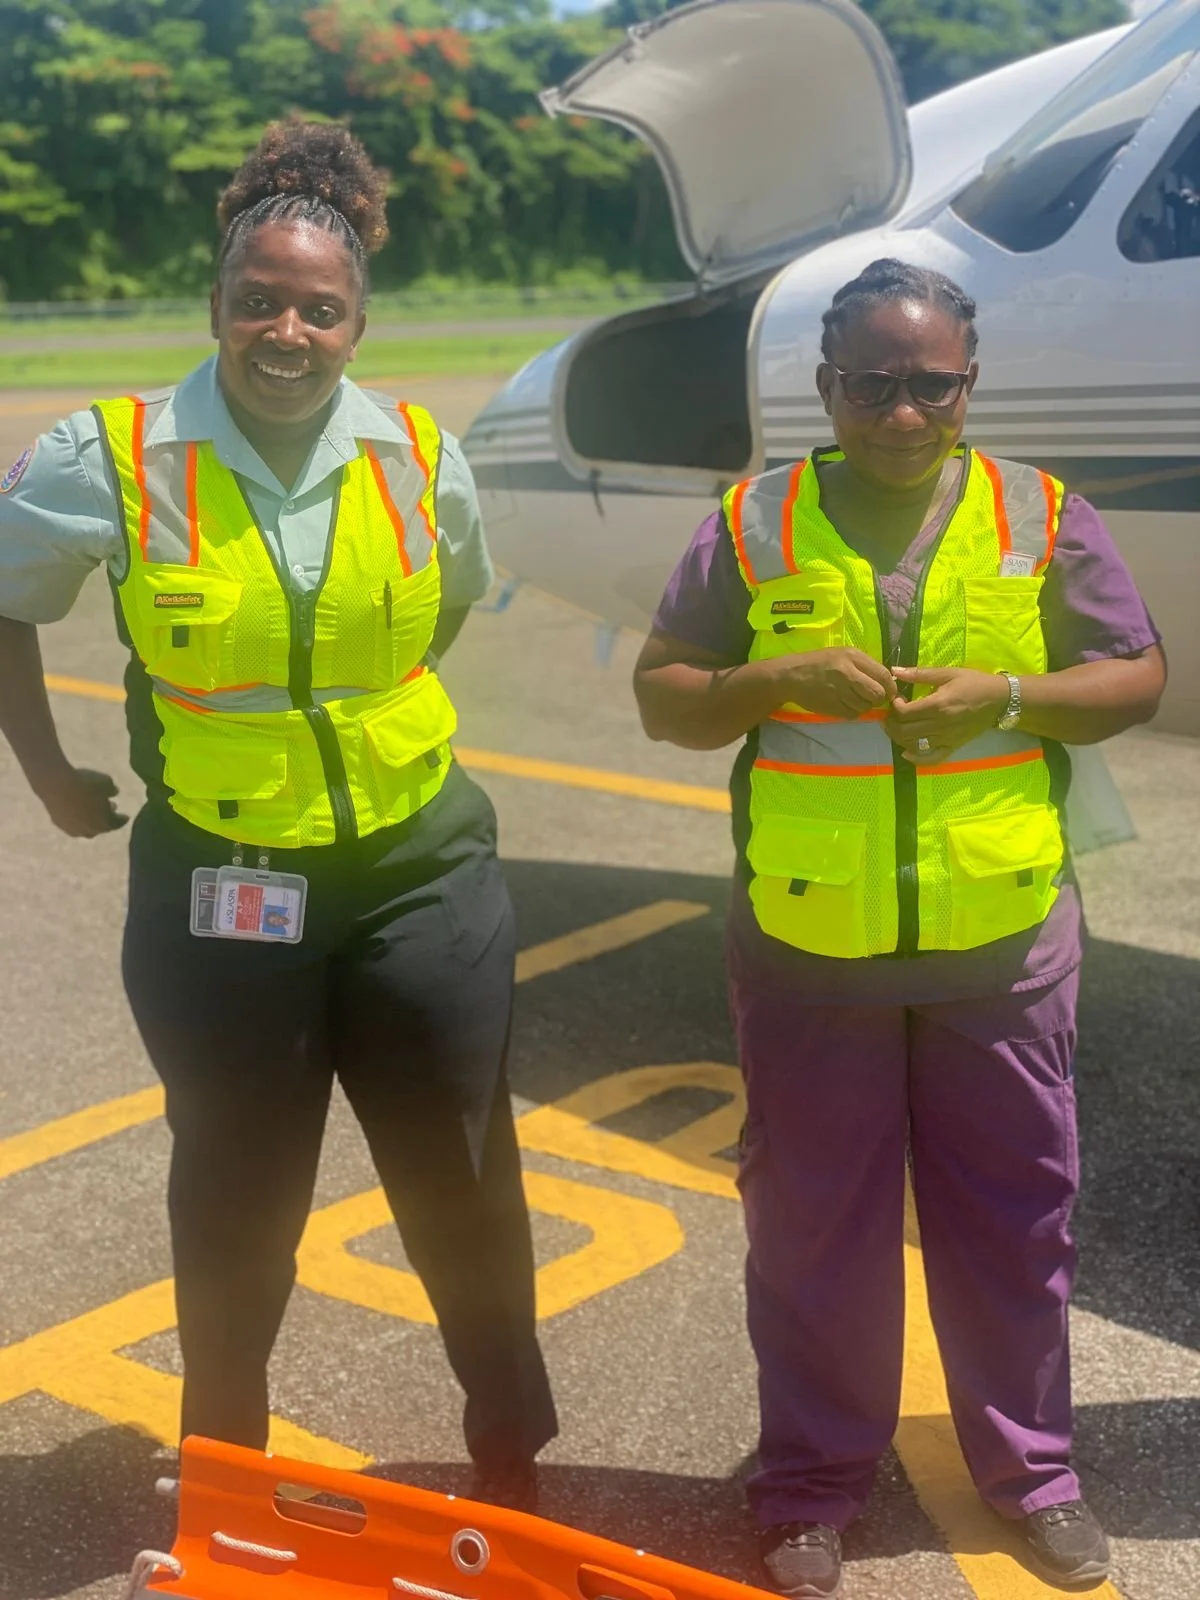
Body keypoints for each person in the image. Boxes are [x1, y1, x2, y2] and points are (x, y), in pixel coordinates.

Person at [0, 119, 556, 1507]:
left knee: (464, 1170)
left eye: (320, 306)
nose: (286, 329)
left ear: (360, 321)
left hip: (420, 867)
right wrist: (49, 772)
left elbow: (453, 600)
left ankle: (508, 1452)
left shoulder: (419, 455)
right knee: (238, 1188)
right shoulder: (111, 454)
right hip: (223, 882)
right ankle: (224, 1471)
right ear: (218, 304)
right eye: (259, 300)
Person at [634, 259, 1165, 1597]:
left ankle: (1033, 1471)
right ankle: (811, 1486)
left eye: (930, 383)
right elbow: (667, 694)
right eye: (871, 382)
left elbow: (1136, 675)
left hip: (1003, 935)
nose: (902, 410)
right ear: (826, 389)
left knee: (1015, 1221)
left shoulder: (1041, 515)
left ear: (968, 386)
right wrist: (771, 677)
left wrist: (1015, 694)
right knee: (817, 1229)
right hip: (814, 946)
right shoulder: (754, 525)